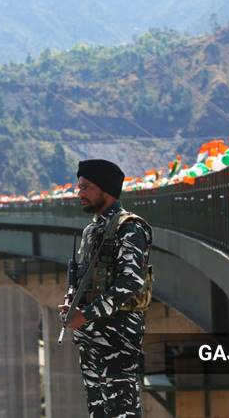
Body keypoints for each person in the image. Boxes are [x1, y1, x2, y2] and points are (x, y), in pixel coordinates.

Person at [60, 159, 152, 417]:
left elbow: (131, 282)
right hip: (91, 339)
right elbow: (80, 279)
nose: (79, 193)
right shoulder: (92, 230)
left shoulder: (130, 227)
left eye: (85, 187)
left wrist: (85, 314)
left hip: (117, 339)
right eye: (78, 187)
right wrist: (71, 305)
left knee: (122, 411)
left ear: (106, 189)